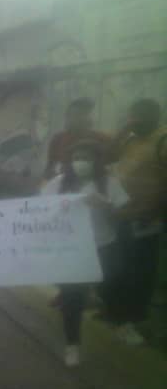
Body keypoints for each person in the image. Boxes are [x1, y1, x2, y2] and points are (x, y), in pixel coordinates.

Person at [41, 139, 129, 366]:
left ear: (97, 161)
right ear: (69, 162)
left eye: (87, 158)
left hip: (102, 246)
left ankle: (118, 319)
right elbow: (39, 212)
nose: (81, 163)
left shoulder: (109, 183)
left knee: (113, 282)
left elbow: (124, 215)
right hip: (72, 250)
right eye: (76, 158)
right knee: (71, 297)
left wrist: (106, 206)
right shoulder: (58, 184)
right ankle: (72, 344)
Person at [107, 98, 167, 346]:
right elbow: (108, 157)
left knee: (140, 272)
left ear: (155, 116)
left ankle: (134, 319)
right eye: (133, 116)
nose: (135, 121)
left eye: (140, 117)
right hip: (121, 215)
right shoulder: (131, 138)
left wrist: (154, 213)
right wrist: (124, 130)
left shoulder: (162, 139)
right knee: (119, 267)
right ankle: (119, 314)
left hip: (146, 218)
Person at [42, 98, 109, 182]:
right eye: (78, 114)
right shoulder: (57, 140)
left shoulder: (102, 139)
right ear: (67, 117)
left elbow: (111, 167)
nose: (83, 118)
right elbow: (49, 170)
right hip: (65, 187)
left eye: (86, 114)